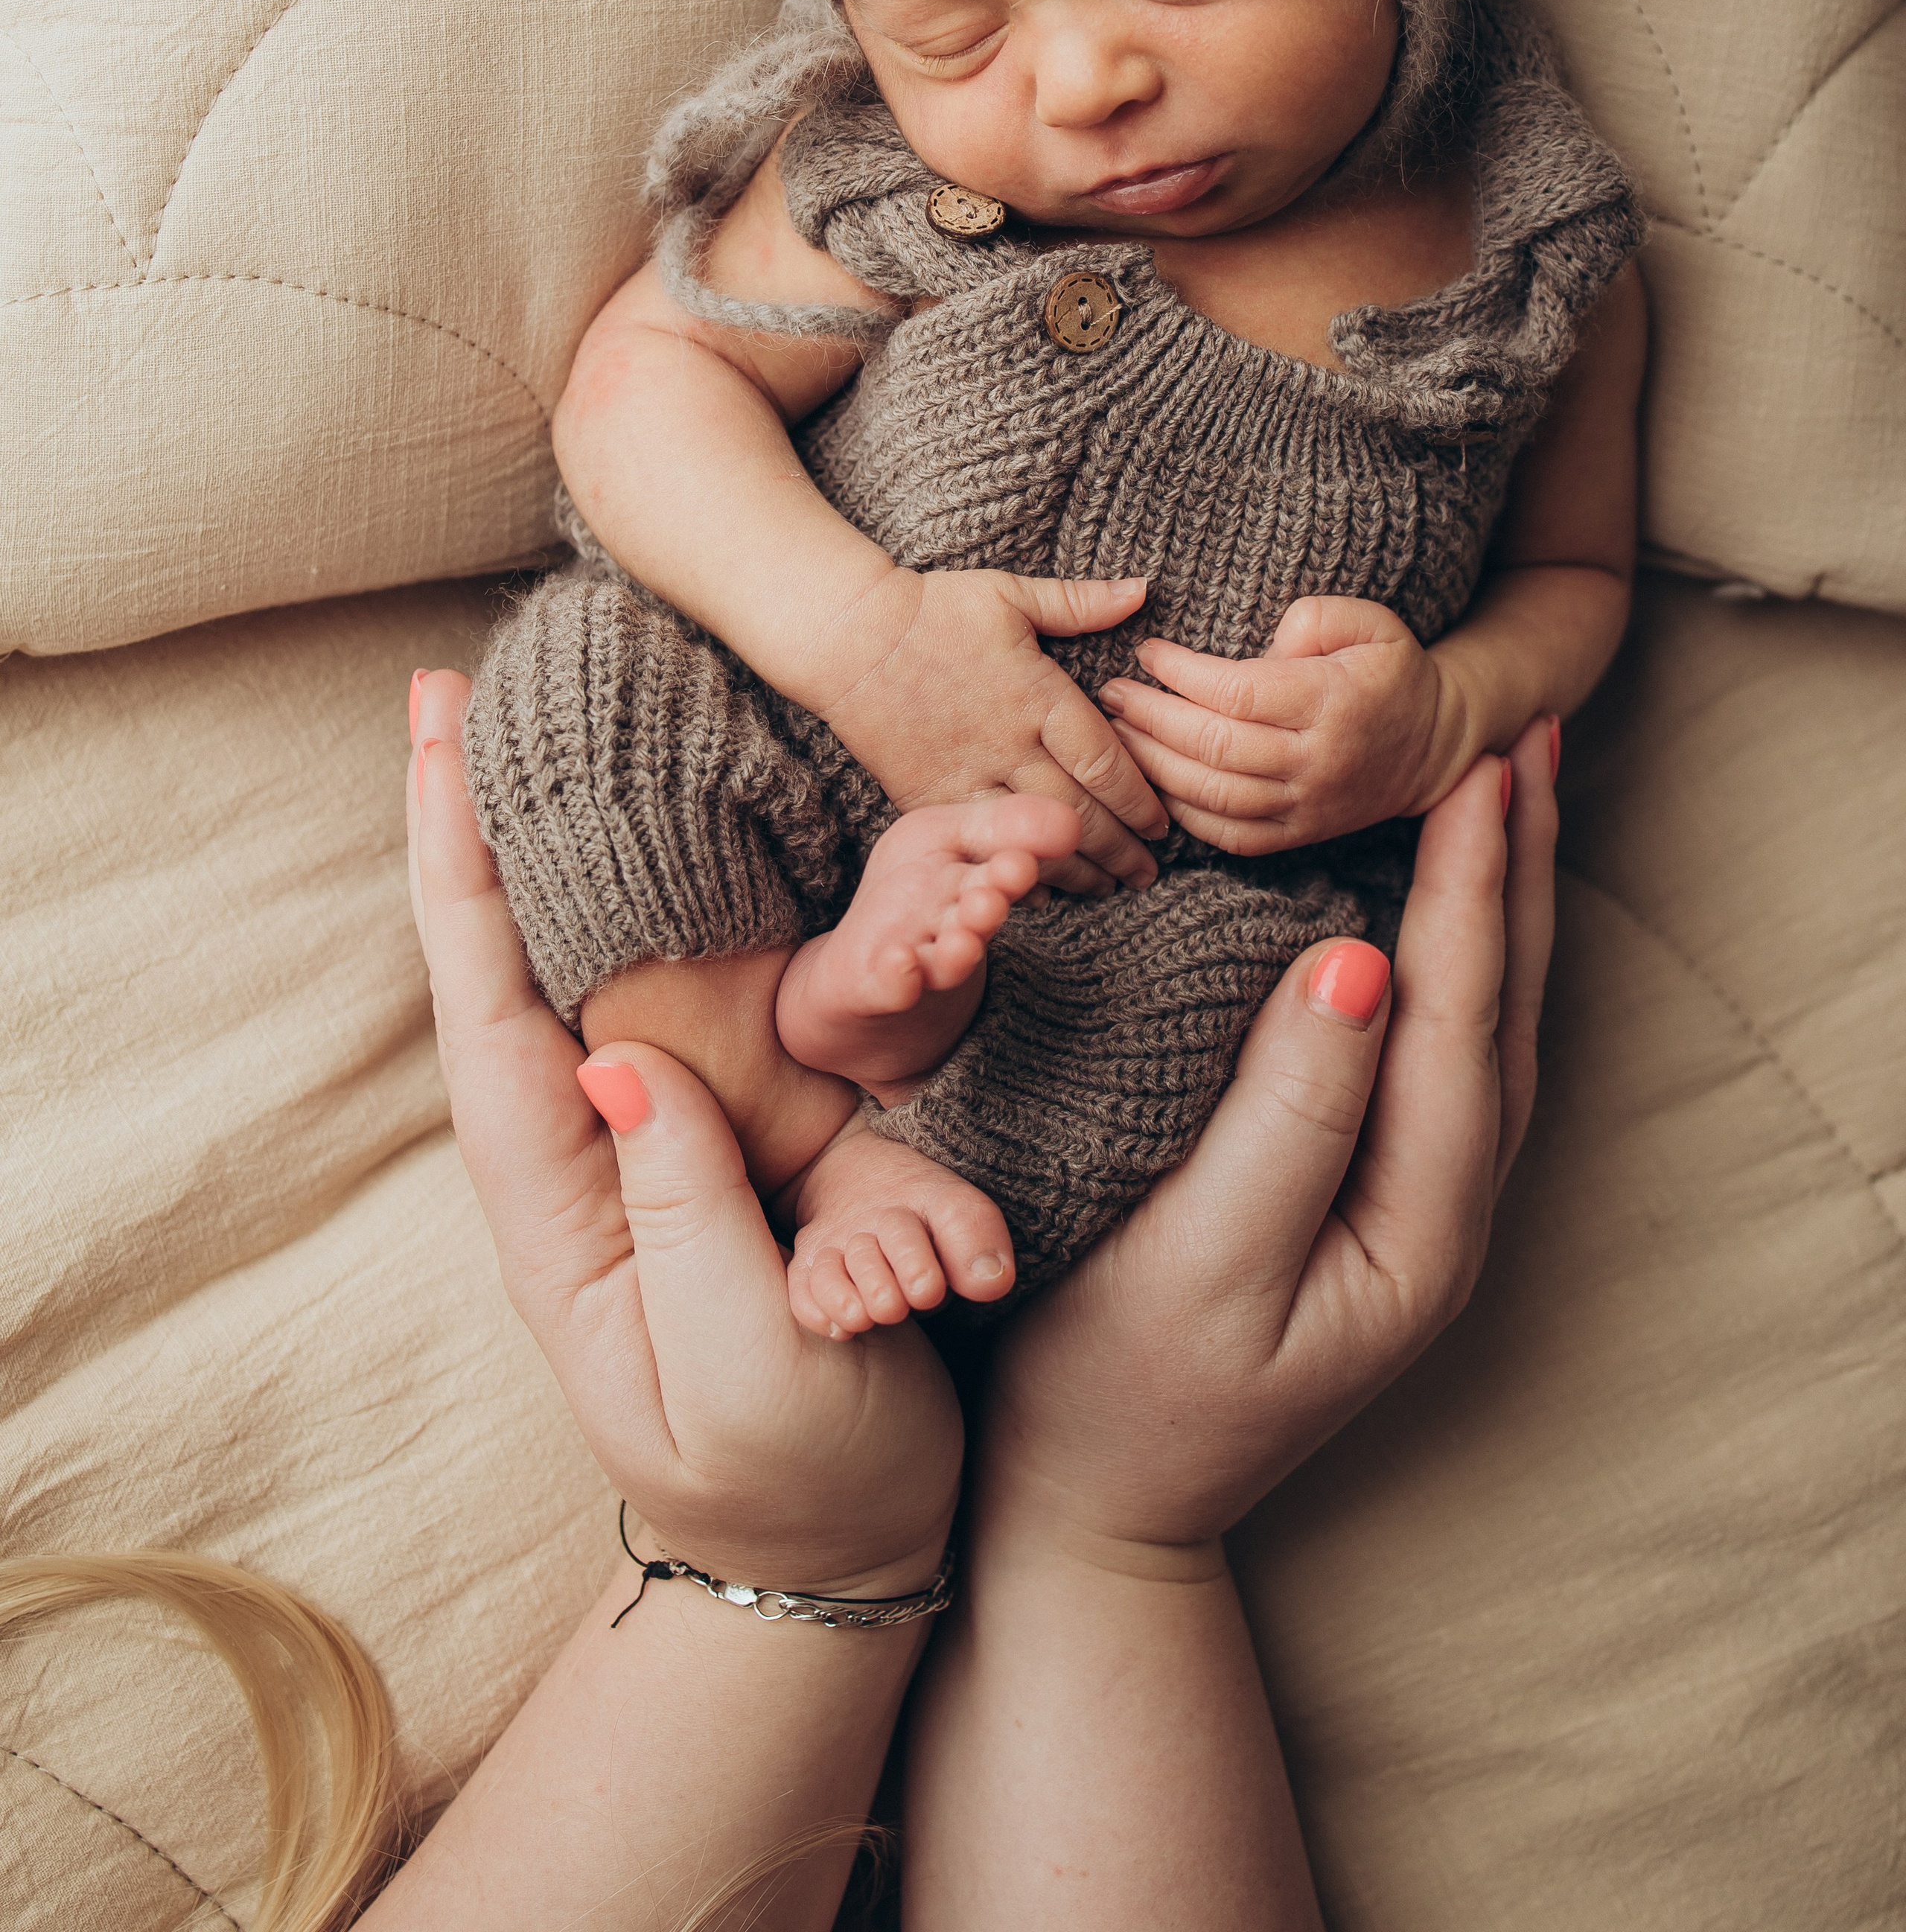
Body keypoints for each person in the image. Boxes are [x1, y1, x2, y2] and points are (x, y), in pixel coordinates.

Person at [459, 0, 1645, 1337]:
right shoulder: (896, 180)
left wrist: (1439, 717)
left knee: (1264, 1006)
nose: (1082, 83)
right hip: (790, 733)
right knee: (580, 692)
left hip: (1136, 899)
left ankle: (909, 1137)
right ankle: (785, 1082)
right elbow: (645, 384)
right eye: (954, 31)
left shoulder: (1525, 264)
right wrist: (859, 639)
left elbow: (1575, 581)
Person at [347, 671, 1558, 1928]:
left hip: (1006, 867)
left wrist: (807, 1545)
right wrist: (1098, 1523)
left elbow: (1570, 595)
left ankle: (844, 1096)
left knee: (593, 735)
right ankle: (836, 1120)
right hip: (1003, 910)